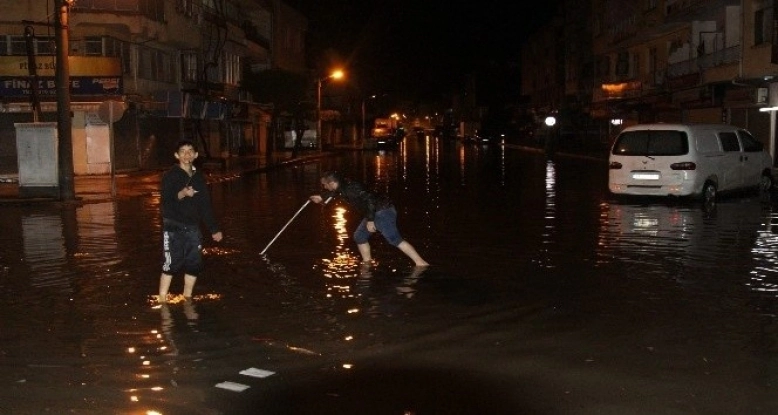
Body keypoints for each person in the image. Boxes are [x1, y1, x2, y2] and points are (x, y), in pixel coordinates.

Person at [309, 171, 429, 267]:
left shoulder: (352, 188)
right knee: (359, 236)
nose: (324, 187)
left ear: (331, 183)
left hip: (382, 211)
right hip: (373, 212)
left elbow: (370, 199)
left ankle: (421, 263)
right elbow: (335, 193)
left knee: (394, 239)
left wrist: (371, 220)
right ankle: (368, 262)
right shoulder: (342, 186)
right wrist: (321, 197)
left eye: (324, 185)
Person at [158, 139, 223, 303]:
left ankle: (187, 298)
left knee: (194, 264)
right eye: (182, 151)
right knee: (171, 264)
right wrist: (182, 194)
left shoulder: (199, 177)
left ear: (195, 155)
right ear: (176, 155)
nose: (186, 154)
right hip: (173, 227)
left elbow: (205, 206)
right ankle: (162, 300)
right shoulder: (170, 176)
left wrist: (214, 229)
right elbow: (166, 201)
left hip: (193, 227)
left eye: (190, 151)